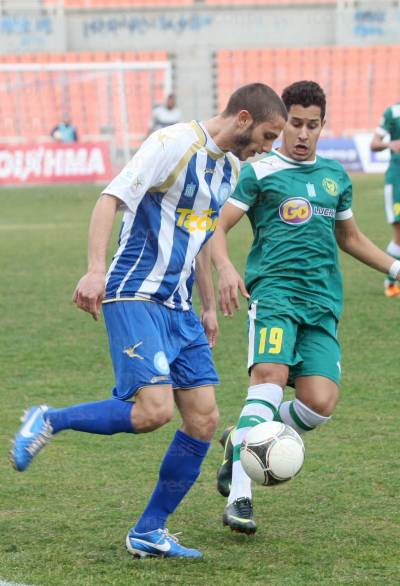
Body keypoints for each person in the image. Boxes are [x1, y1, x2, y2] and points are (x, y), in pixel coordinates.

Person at [11, 83, 287, 559]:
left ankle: (149, 531)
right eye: (267, 135)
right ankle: (49, 419)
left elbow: (197, 234)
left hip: (178, 306)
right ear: (243, 118)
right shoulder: (173, 144)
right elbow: (109, 199)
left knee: (203, 419)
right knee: (153, 412)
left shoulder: (231, 167)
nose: (268, 147)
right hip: (133, 291)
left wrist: (205, 304)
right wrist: (96, 271)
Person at [211, 81, 400, 535]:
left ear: (322, 126)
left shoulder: (336, 176)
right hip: (275, 295)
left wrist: (394, 266)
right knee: (269, 384)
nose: (302, 133)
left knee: (319, 404)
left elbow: (349, 238)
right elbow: (217, 225)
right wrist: (225, 268)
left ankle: (240, 439)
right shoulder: (259, 172)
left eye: (312, 126)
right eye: (295, 123)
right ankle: (240, 497)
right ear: (284, 121)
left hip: (323, 303)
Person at [370, 102, 400, 297]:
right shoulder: (393, 112)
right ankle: (391, 282)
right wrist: (390, 144)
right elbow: (374, 143)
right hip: (397, 180)